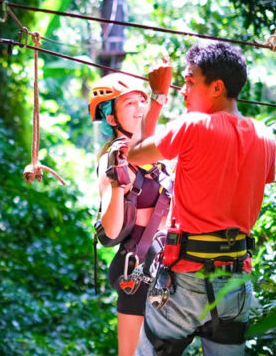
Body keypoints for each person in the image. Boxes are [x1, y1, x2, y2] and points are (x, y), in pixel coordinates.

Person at [124, 42, 276, 355]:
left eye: (190, 81)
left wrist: (157, 97)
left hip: (186, 279)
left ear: (217, 87)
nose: (184, 90)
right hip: (235, 282)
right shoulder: (265, 137)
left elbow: (136, 154)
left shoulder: (194, 126)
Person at [89, 62, 173, 356]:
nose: (139, 108)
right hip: (137, 265)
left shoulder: (156, 153)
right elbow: (110, 231)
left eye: (141, 101)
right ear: (111, 117)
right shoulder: (111, 161)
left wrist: (159, 97)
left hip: (169, 264)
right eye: (129, 103)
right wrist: (115, 184)